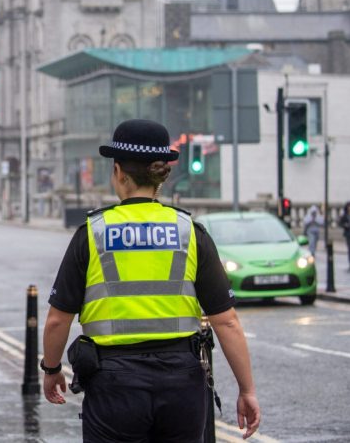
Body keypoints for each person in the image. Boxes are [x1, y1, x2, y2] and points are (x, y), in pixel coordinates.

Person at [41, 119, 261, 442]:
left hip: (113, 385)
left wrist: (51, 369)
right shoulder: (189, 232)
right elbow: (226, 321)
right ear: (162, 177)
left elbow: (58, 320)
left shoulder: (92, 233)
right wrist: (247, 389)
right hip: (182, 384)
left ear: (118, 172)